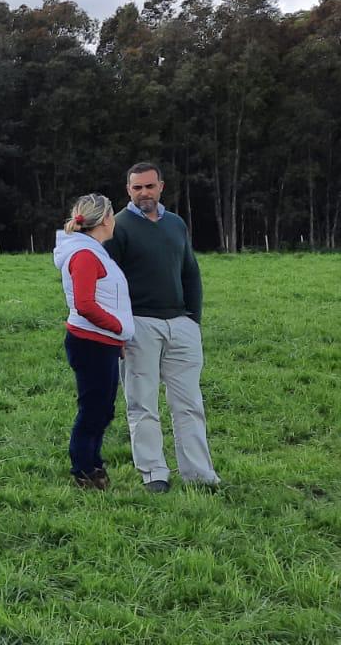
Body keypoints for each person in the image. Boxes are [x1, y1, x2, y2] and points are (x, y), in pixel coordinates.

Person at [102, 162, 218, 493]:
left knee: (190, 403)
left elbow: (190, 273)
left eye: (149, 186)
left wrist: (192, 320)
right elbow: (109, 282)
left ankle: (199, 473)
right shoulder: (118, 227)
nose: (144, 193)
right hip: (140, 324)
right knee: (142, 404)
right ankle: (154, 474)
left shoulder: (176, 225)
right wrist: (119, 330)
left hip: (180, 325)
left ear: (161, 187)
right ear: (128, 191)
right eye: (137, 188)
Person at [53, 194, 134, 489]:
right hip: (91, 342)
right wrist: (119, 329)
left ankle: (93, 464)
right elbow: (85, 304)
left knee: (102, 408)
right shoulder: (85, 255)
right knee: (94, 408)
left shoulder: (92, 250)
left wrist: (116, 337)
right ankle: (84, 470)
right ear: (105, 219)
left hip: (101, 342)